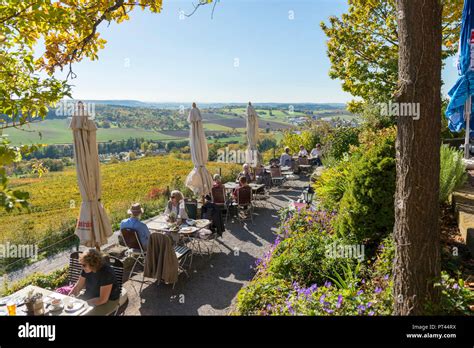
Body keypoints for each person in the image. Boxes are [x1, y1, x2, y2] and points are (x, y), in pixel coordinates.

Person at [69, 249, 120, 315]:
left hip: (108, 301)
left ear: (93, 264)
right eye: (81, 264)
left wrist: (83, 305)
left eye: (84, 265)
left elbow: (102, 300)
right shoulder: (86, 269)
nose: (82, 267)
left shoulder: (106, 273)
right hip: (91, 297)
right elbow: (78, 287)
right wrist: (69, 299)